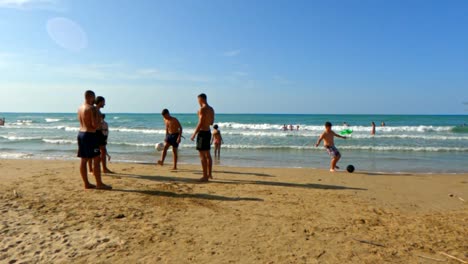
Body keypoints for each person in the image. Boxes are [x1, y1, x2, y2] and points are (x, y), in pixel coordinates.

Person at [77, 90, 111, 190]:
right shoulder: (91, 109)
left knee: (83, 160)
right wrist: (99, 120)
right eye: (93, 97)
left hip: (81, 133)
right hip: (90, 135)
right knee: (96, 159)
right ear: (91, 97)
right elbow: (94, 125)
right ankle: (99, 183)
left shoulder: (80, 108)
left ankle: (86, 183)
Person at [191, 93, 215, 182]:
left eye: (198, 100)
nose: (198, 102)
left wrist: (194, 134)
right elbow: (212, 122)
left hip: (202, 133)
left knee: (202, 156)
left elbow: (200, 123)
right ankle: (210, 174)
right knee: (208, 155)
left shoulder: (202, 109)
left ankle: (205, 176)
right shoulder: (211, 109)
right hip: (208, 132)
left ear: (202, 99)